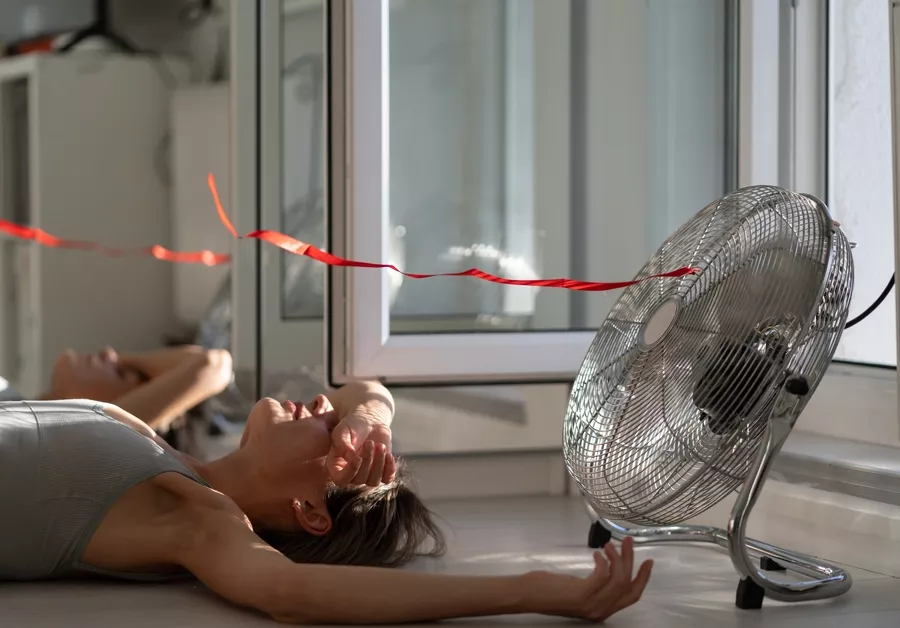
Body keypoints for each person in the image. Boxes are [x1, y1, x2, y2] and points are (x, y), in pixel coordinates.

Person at [0, 380, 653, 624]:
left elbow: (295, 594)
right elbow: (367, 389)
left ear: (311, 510)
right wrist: (368, 422)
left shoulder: (196, 517)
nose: (322, 405)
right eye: (330, 420)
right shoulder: (158, 447)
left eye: (330, 429)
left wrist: (533, 590)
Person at [0, 344, 233, 433]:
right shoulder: (8, 398)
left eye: (121, 371)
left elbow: (213, 366)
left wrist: (126, 358)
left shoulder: (84, 432)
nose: (109, 353)